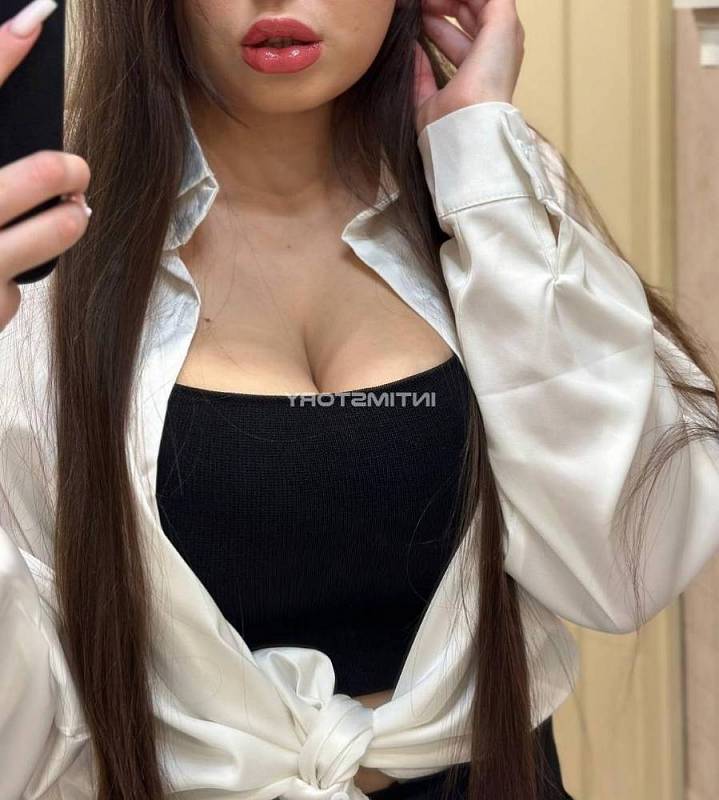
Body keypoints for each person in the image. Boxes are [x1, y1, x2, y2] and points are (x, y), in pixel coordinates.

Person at [1, 1, 718, 799]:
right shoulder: (38, 253)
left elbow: (623, 572)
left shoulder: (484, 186)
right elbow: (19, 730)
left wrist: (482, 163)